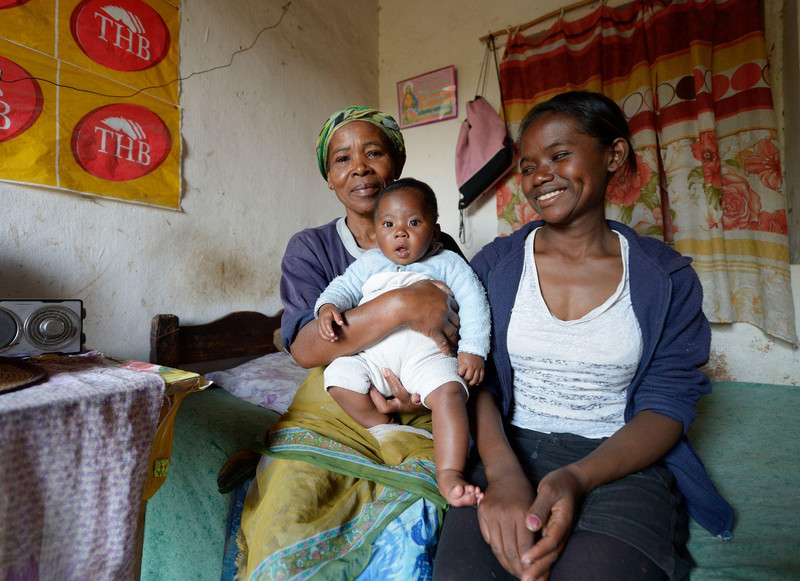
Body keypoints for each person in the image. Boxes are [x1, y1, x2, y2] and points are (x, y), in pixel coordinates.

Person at [432, 91, 734, 581]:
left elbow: (668, 406)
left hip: (618, 461)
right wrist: (505, 474)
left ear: (613, 156)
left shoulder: (666, 277)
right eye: (528, 166)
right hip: (507, 450)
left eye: (559, 155)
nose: (539, 177)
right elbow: (476, 379)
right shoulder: (495, 267)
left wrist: (576, 478)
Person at [236, 106, 465, 579]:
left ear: (396, 166)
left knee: (416, 526)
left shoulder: (441, 246)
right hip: (334, 400)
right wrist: (400, 305)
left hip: (420, 394)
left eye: (374, 152)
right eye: (342, 159)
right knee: (288, 518)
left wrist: (417, 384)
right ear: (330, 178)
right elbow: (304, 348)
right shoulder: (312, 247)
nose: (358, 167)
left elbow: (460, 330)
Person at [315, 177, 490, 506]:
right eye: (388, 223)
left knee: (451, 393)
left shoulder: (448, 263)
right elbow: (342, 287)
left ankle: (450, 473)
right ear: (377, 231)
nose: (400, 232)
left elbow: (475, 301)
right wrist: (327, 307)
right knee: (337, 376)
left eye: (414, 222)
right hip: (373, 358)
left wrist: (473, 350)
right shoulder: (370, 263)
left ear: (434, 231)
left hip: (428, 359)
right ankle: (382, 423)